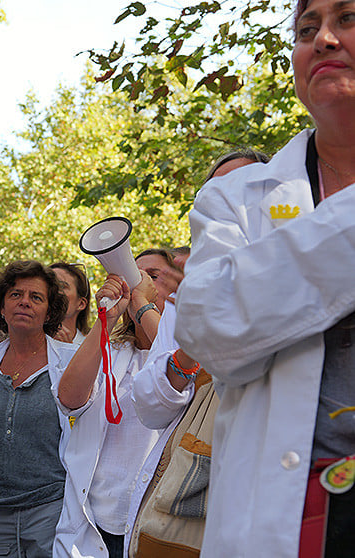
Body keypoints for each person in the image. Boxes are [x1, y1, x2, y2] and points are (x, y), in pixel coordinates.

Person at [174, 1, 355, 555]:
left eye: (348, 18)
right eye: (306, 28)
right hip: (294, 516)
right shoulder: (236, 199)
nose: (323, 39)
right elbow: (207, 326)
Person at [128, 150, 268, 556]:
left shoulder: (313, 264)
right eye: (216, 191)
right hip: (194, 494)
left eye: (244, 185)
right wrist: (186, 357)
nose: (230, 197)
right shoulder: (190, 294)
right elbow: (150, 407)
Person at [53, 250, 170, 558]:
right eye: (133, 275)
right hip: (98, 524)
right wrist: (108, 317)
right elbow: (69, 398)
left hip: (159, 526)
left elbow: (178, 369)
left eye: (152, 277)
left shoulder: (192, 351)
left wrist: (143, 306)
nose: (139, 283)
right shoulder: (112, 350)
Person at [0, 260, 74, 558]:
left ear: (50, 312)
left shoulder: (69, 362)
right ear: (1, 307)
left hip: (51, 511)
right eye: (15, 294)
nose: (24, 302)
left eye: (36, 297)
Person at [50, 262, 92, 346]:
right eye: (48, 286)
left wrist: (67, 350)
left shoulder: (95, 348)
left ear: (81, 304)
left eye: (61, 286)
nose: (52, 292)